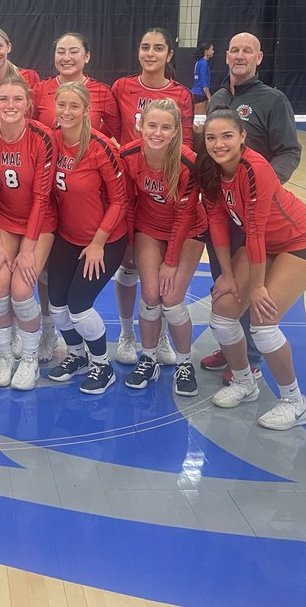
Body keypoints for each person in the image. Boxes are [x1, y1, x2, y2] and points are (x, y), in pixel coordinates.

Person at [197, 109, 306, 431]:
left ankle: (295, 402)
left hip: (302, 241)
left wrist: (256, 287)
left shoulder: (255, 169)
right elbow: (216, 222)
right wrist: (227, 274)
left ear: (243, 136)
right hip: (265, 245)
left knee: (263, 322)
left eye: (227, 135)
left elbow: (255, 231)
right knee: (223, 311)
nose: (218, 144)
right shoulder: (210, 169)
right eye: (211, 138)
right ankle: (245, 382)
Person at [200, 32, 302, 384]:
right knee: (225, 282)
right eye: (234, 50)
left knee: (251, 286)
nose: (240, 56)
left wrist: (261, 191)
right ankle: (232, 349)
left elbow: (290, 150)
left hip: (255, 215)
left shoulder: (273, 99)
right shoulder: (221, 97)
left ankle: (251, 359)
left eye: (248, 51)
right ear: (226, 56)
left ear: (259, 57)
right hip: (221, 209)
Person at [110, 28, 194, 369]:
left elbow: (184, 143)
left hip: (168, 187)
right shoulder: (122, 87)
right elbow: (116, 136)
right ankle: (127, 333)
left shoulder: (181, 95)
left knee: (162, 284)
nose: (150, 53)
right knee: (130, 268)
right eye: (145, 47)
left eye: (158, 48)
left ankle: (156, 336)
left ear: (169, 55)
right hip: (133, 185)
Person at [45, 82, 128, 395]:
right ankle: (77, 356)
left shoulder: (100, 146)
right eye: (62, 105)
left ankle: (102, 364)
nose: (67, 112)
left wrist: (98, 244)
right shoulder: (51, 141)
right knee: (57, 308)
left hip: (105, 240)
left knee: (79, 307)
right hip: (68, 237)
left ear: (86, 110)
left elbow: (120, 201)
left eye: (74, 106)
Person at [119, 99, 206, 396]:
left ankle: (184, 364)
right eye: (152, 125)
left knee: (171, 298)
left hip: (190, 231)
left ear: (176, 131)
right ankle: (149, 358)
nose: (157, 133)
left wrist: (170, 260)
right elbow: (128, 202)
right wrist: (129, 243)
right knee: (151, 294)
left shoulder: (188, 163)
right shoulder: (128, 154)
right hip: (149, 228)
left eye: (165, 127)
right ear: (141, 125)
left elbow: (184, 217)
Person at [0, 77, 55, 390]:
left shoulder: (41, 137)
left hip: (40, 221)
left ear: (28, 104)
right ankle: (7, 354)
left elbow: (41, 197)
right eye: (4, 99)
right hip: (4, 220)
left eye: (17, 99)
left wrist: (27, 249)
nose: (10, 105)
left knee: (21, 290)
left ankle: (30, 359)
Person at [32, 32, 119, 136]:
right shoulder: (40, 89)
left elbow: (116, 132)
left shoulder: (102, 92)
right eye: (61, 52)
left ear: (86, 57)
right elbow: (29, 128)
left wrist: (93, 139)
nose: (66, 58)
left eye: (73, 52)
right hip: (49, 152)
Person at [191, 43, 214, 117]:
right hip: (201, 95)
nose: (213, 51)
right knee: (200, 121)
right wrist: (210, 98)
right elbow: (204, 83)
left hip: (195, 93)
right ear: (206, 51)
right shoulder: (204, 64)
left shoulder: (198, 62)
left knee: (196, 119)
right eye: (212, 49)